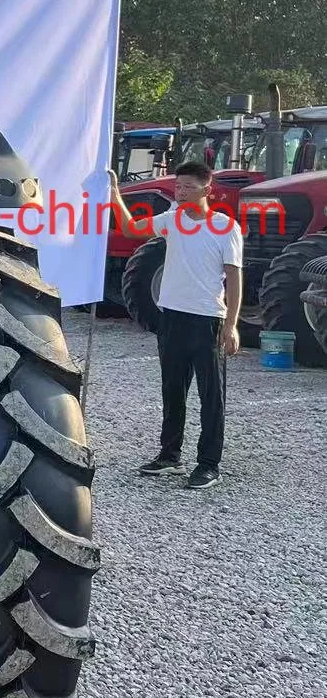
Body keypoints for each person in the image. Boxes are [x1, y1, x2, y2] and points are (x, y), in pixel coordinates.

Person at [105, 160, 242, 490]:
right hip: (173, 318)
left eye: (188, 187)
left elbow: (235, 277)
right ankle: (170, 456)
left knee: (211, 397)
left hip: (208, 318)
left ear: (207, 190)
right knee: (172, 390)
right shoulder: (173, 220)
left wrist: (231, 325)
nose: (180, 192)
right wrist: (113, 193)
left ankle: (208, 464)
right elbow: (130, 229)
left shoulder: (225, 227)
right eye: (178, 186)